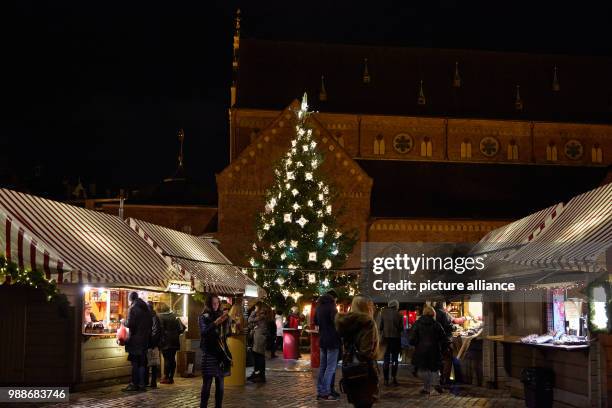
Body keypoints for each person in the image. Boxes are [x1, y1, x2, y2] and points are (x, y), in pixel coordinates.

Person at [336, 295, 379, 408]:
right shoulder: (368, 323)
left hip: (349, 368)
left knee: (356, 401)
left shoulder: (345, 323)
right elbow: (366, 351)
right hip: (365, 370)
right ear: (366, 307)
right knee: (366, 401)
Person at [199, 294, 231, 408]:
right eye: (213, 303)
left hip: (220, 354)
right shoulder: (204, 317)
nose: (216, 305)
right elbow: (204, 332)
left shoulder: (222, 316)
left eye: (217, 303)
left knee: (220, 385)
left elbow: (227, 334)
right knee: (207, 384)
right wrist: (215, 323)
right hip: (209, 353)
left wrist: (228, 321)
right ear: (208, 304)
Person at [409, 305, 449, 395]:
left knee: (423, 369)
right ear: (433, 313)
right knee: (434, 368)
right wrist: (442, 347)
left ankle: (427, 388)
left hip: (421, 350)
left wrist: (415, 344)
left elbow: (411, 338)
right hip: (434, 349)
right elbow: (444, 338)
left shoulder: (417, 323)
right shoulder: (436, 324)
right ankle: (435, 383)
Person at [122, 291, 152, 392]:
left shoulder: (133, 309)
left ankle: (134, 384)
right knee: (142, 363)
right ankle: (142, 384)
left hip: (135, 340)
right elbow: (150, 323)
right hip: (144, 340)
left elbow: (130, 324)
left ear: (130, 298)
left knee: (135, 363)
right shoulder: (146, 309)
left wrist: (123, 322)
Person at [314, 289, 341, 401]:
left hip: (322, 340)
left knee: (323, 367)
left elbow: (316, 322)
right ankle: (325, 392)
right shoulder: (332, 307)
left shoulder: (319, 307)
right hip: (332, 341)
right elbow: (336, 324)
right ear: (333, 298)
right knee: (331, 367)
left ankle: (321, 391)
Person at [158, 302, 185, 384]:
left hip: (165, 341)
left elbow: (160, 330)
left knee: (167, 359)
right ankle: (171, 377)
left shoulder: (160, 317)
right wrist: (175, 333)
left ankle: (166, 377)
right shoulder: (174, 316)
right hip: (175, 340)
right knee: (172, 359)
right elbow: (182, 328)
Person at [380, 299, 403, 386]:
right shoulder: (399, 315)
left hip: (385, 338)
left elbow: (380, 327)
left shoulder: (383, 313)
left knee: (386, 359)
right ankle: (394, 378)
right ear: (396, 306)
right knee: (394, 359)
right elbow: (401, 329)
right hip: (395, 339)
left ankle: (386, 379)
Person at [433, 301, 455, 387]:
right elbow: (448, 326)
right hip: (445, 340)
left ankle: (440, 379)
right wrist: (454, 327)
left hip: (436, 341)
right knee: (447, 360)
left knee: (440, 360)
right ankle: (446, 379)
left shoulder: (433, 313)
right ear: (443, 305)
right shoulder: (444, 314)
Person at [247, 302, 268, 383]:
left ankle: (260, 376)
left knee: (259, 357)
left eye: (256, 307)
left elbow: (250, 320)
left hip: (260, 339)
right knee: (257, 357)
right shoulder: (262, 316)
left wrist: (254, 311)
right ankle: (257, 374)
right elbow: (253, 324)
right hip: (258, 339)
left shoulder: (262, 316)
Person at [146, 301, 162, 388]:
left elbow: (156, 332)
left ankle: (152, 382)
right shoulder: (153, 317)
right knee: (151, 364)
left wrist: (151, 343)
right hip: (152, 344)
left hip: (152, 344)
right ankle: (150, 382)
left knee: (152, 363)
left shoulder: (153, 317)